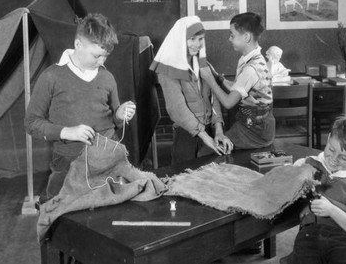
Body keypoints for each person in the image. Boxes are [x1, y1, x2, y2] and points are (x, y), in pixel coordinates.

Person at [25, 13, 136, 200]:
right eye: (96, 55)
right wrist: (67, 132)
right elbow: (31, 123)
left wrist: (120, 113)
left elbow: (115, 120)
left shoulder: (107, 77)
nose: (102, 62)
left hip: (108, 159)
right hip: (68, 161)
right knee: (63, 215)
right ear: (78, 45)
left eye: (105, 56)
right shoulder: (51, 77)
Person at [284, 116, 346, 264]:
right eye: (331, 149)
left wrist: (332, 211)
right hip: (309, 236)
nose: (333, 159)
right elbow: (282, 184)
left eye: (343, 157)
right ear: (328, 138)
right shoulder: (308, 164)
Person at [150, 16, 233, 165]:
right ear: (180, 40)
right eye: (192, 39)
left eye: (201, 39)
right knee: (185, 178)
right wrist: (205, 137)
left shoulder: (204, 64)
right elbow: (177, 108)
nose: (197, 44)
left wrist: (219, 130)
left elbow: (213, 99)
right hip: (186, 135)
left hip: (209, 132)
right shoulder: (167, 70)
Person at [200, 12, 275, 150]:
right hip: (251, 124)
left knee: (207, 152)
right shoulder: (250, 58)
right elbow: (237, 88)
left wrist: (210, 80)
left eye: (232, 35)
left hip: (256, 131)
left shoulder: (251, 69)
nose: (229, 39)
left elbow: (229, 102)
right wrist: (217, 77)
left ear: (246, 37)